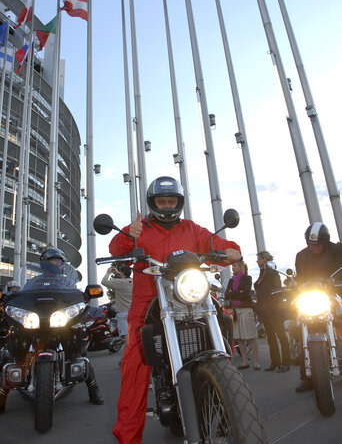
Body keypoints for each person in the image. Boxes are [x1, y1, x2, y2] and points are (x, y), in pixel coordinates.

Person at [109, 176, 241, 444]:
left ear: (179, 203)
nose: (167, 206)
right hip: (149, 300)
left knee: (224, 320)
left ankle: (227, 397)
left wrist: (231, 250)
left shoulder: (192, 229)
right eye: (162, 201)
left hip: (191, 297)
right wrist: (128, 238)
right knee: (134, 363)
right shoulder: (140, 228)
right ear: (153, 203)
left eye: (172, 201)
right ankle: (128, 437)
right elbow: (115, 247)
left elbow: (218, 245)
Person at [24, 247, 104, 405]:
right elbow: (23, 296)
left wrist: (84, 298)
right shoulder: (33, 281)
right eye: (54, 260)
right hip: (38, 320)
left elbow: (76, 295)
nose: (58, 263)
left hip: (60, 320)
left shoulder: (67, 281)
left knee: (80, 350)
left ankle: (94, 389)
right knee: (15, 346)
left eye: (60, 261)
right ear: (45, 263)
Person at [294, 222, 342, 392]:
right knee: (303, 330)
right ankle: (307, 378)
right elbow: (299, 279)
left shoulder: (337, 251)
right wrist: (295, 287)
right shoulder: (301, 256)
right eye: (311, 244)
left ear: (326, 242)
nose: (314, 247)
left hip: (334, 294)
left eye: (318, 244)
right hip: (311, 297)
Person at [254, 251, 290, 373]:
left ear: (264, 259)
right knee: (271, 337)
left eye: (258, 259)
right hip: (265, 311)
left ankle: (286, 363)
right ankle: (275, 362)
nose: (257, 261)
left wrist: (273, 306)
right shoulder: (262, 273)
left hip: (274, 310)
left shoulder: (273, 273)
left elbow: (277, 292)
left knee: (281, 336)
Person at [225, 259, 261, 370]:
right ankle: (245, 361)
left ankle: (256, 362)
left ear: (241, 267)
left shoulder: (247, 278)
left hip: (245, 309)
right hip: (235, 311)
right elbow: (227, 295)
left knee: (250, 337)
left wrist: (233, 294)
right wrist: (237, 293)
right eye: (232, 266)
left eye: (235, 265)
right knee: (239, 338)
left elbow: (245, 293)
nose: (233, 268)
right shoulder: (231, 281)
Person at [101, 264, 133, 357]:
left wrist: (108, 273)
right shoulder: (133, 282)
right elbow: (125, 277)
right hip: (132, 312)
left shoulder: (118, 283)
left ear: (122, 273)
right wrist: (119, 272)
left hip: (123, 313)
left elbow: (104, 282)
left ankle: (128, 356)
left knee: (126, 336)